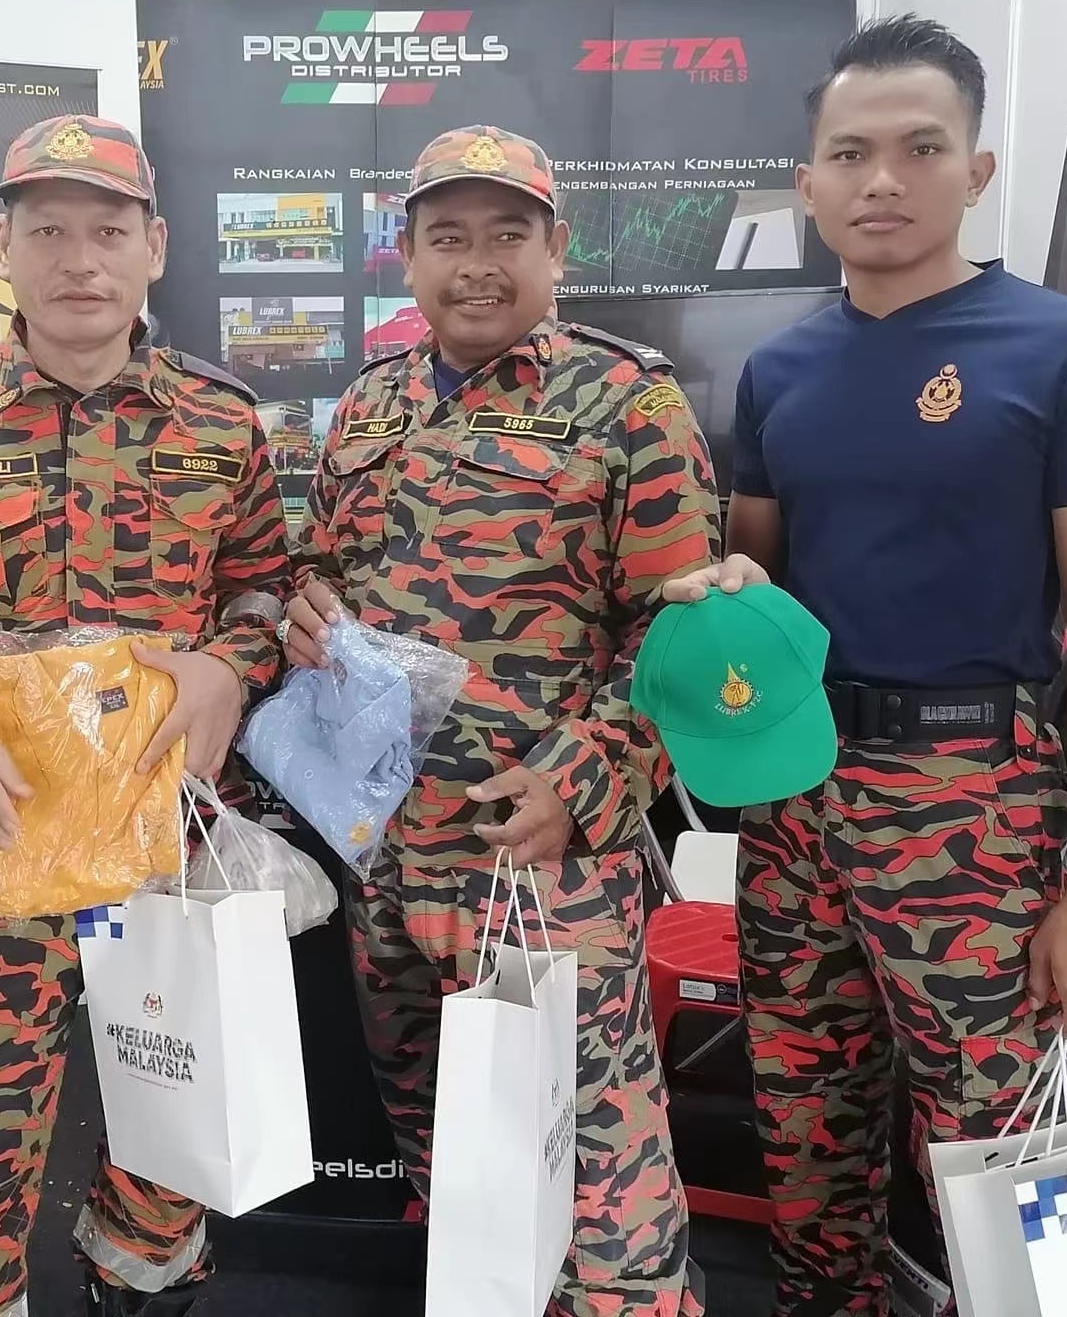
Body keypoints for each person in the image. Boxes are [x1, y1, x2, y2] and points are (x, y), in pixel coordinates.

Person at [664, 14, 1067, 1315]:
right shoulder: (778, 373)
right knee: (808, 1136)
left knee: (1004, 1159)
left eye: (919, 148)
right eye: (851, 153)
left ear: (976, 171)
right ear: (810, 180)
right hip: (797, 804)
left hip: (977, 801)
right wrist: (714, 597)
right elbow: (755, 590)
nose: (882, 179)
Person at [0, 115, 291, 1317]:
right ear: (2, 249)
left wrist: (230, 666)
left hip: (166, 827)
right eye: (48, 231)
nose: (79, 257)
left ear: (155, 248)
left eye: (107, 230)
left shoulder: (223, 420)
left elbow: (268, 591)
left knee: (173, 1112)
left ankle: (138, 1283)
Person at [281, 124, 719, 1316]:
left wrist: (584, 779)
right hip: (388, 860)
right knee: (452, 1162)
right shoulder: (365, 408)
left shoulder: (627, 402)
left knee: (599, 1177)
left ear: (555, 249)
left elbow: (683, 637)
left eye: (506, 235)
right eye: (447, 237)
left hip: (544, 860)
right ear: (406, 257)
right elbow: (320, 579)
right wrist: (300, 613)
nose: (477, 263)